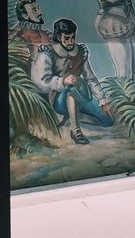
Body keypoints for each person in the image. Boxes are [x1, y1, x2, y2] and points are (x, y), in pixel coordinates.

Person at [31, 17, 113, 146]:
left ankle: (76, 115)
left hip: (81, 95)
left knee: (107, 121)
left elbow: (90, 78)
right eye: (67, 38)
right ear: (58, 37)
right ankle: (75, 130)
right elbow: (40, 82)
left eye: (72, 37)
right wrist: (62, 81)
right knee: (70, 89)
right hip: (58, 99)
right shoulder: (47, 53)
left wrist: (103, 100)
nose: (71, 41)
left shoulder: (80, 51)